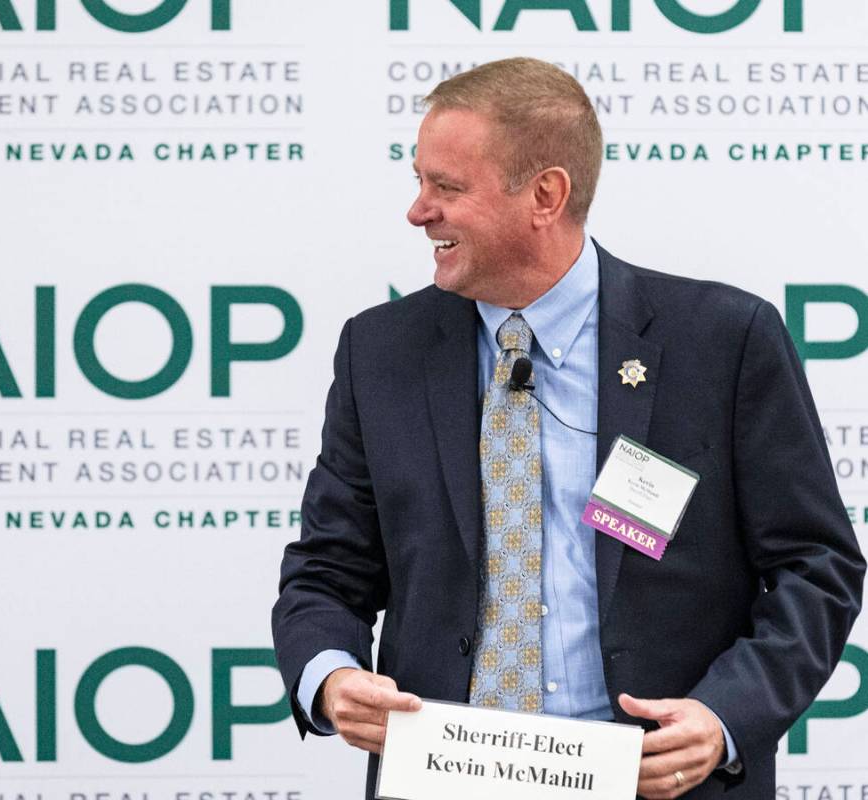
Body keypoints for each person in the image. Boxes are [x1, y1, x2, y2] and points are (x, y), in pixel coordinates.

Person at [271, 57, 864, 800]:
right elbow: (327, 569)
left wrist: (721, 718)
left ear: (545, 195)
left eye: (446, 187)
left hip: (655, 783)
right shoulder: (380, 351)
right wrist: (329, 677)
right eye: (418, 181)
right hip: (446, 779)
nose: (418, 211)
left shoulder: (722, 341)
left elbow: (816, 567)